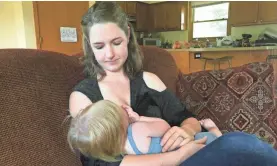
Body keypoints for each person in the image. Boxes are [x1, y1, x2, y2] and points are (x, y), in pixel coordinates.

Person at [69, 1, 277, 166]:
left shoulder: (148, 80)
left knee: (242, 145)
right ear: (90, 47)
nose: (110, 54)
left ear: (128, 36)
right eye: (99, 46)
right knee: (238, 144)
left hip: (189, 157)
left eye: (116, 42)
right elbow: (98, 162)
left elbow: (188, 119)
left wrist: (186, 130)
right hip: (177, 158)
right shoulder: (83, 97)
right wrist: (177, 157)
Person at [67, 100, 221, 163]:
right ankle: (216, 132)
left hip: (182, 159)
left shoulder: (121, 151)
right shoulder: (137, 129)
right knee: (211, 141)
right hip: (190, 147)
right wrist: (140, 118)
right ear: (120, 124)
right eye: (116, 108)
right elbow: (164, 127)